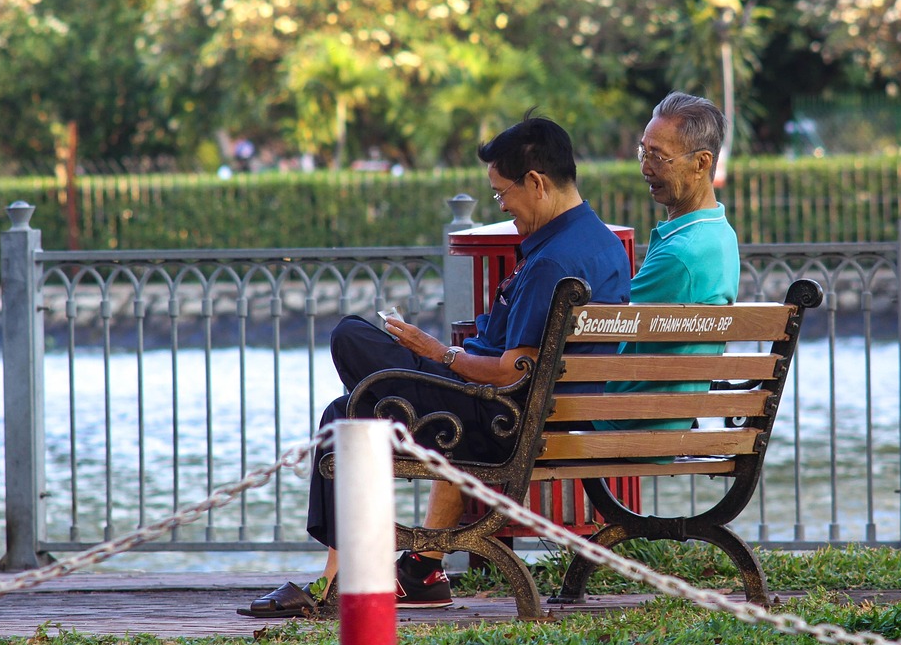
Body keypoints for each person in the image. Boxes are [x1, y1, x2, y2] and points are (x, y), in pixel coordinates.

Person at [240, 113, 631, 618]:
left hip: (497, 419)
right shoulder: (598, 243)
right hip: (533, 413)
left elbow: (518, 371)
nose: (504, 206)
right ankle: (403, 574)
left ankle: (342, 582)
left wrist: (437, 354)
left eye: (502, 192)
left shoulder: (554, 261)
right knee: (349, 411)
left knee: (350, 341)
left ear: (536, 183)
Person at [596, 91, 740, 432]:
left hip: (628, 422)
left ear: (702, 163)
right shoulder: (720, 232)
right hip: (661, 416)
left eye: (659, 157)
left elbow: (602, 336)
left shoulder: (682, 253)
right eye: (643, 152)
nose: (646, 167)